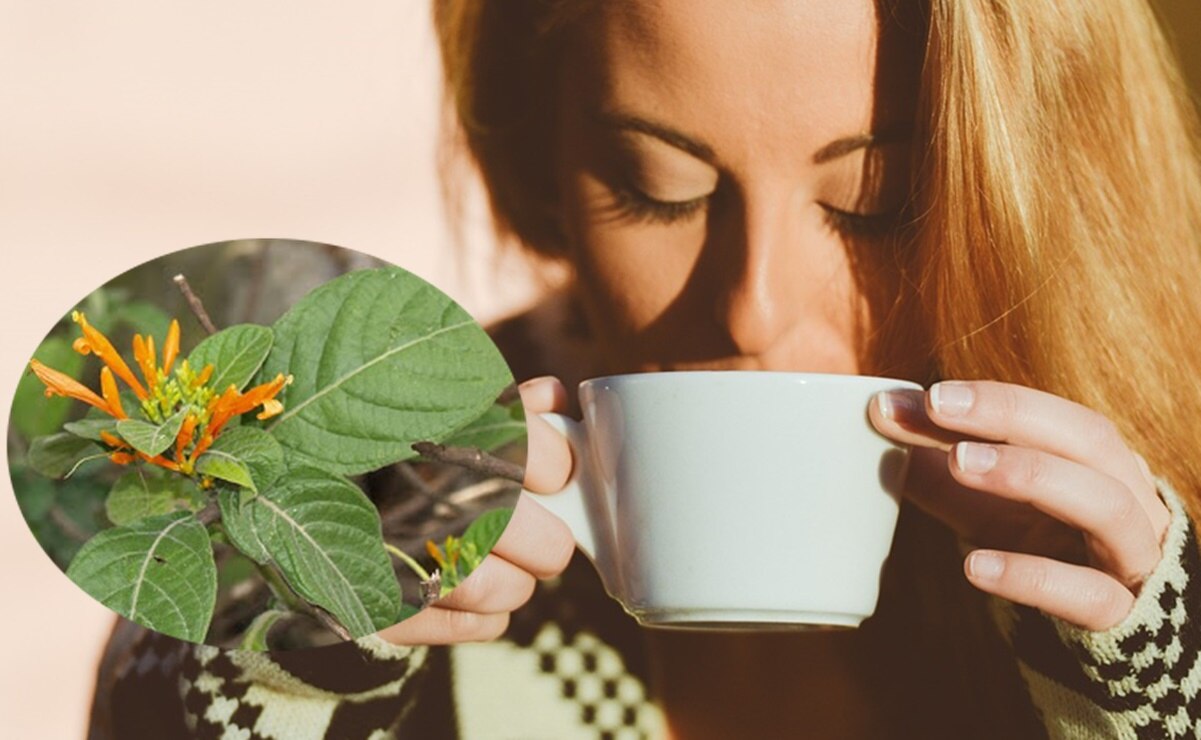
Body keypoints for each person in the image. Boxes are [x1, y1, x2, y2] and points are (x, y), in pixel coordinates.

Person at [91, 0, 1201, 738]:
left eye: (877, 201)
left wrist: (1154, 686)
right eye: (659, 187)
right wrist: (285, 668)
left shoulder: (1148, 561)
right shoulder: (357, 507)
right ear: (541, 156)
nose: (753, 307)